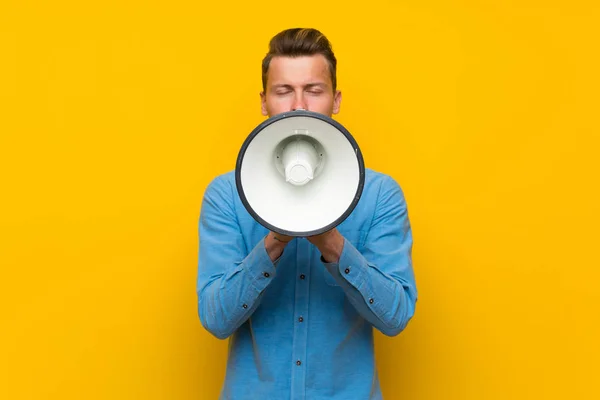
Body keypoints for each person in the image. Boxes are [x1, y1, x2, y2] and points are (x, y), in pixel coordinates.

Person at [196, 28, 418, 400]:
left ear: (336, 99)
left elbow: (395, 318)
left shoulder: (380, 195)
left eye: (314, 90)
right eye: (283, 91)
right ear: (264, 101)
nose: (299, 104)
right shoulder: (227, 195)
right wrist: (272, 243)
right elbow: (216, 320)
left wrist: (331, 243)